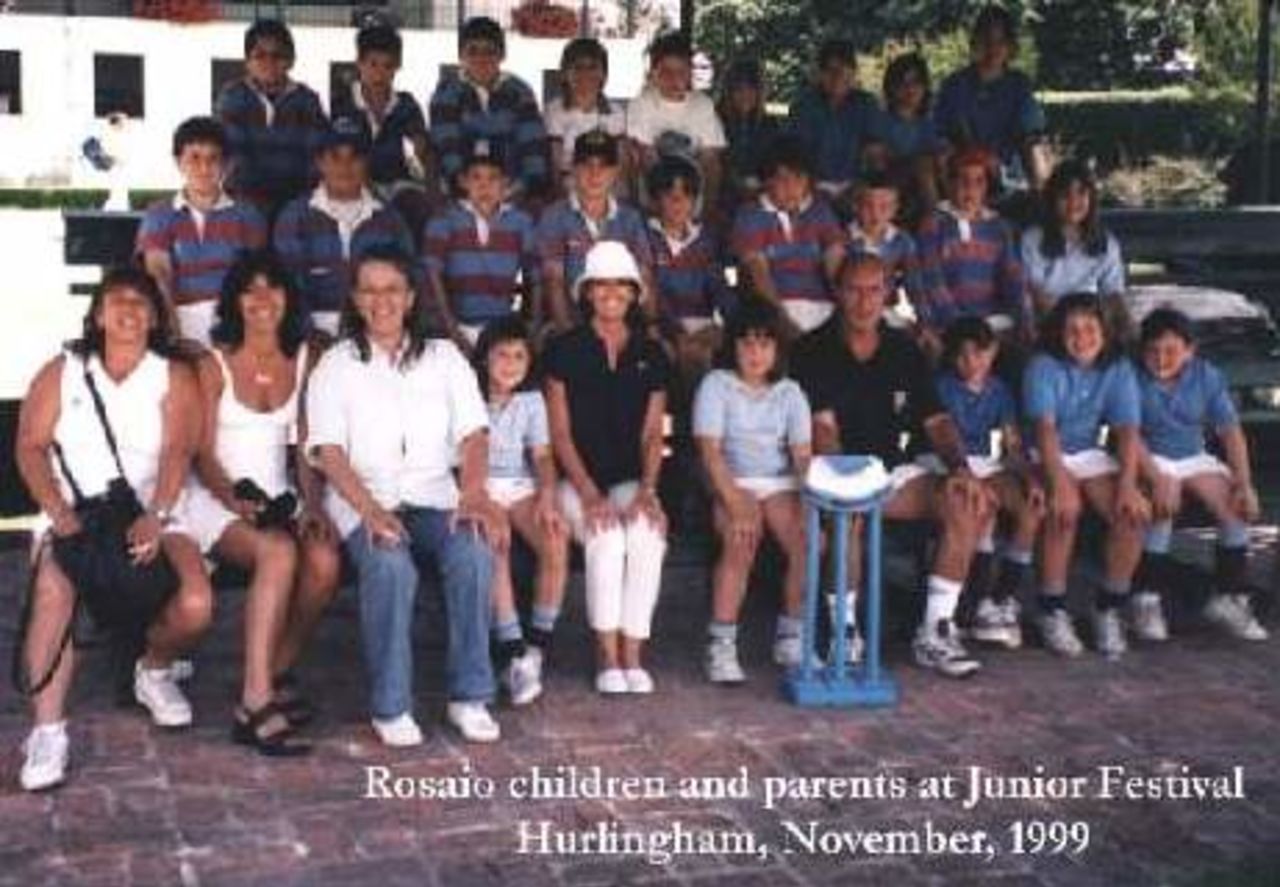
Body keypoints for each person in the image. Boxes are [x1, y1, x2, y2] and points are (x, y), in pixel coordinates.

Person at [14, 267, 211, 791]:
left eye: (140, 303)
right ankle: (48, 731)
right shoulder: (64, 371)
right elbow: (30, 446)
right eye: (116, 302)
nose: (128, 310)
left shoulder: (173, 375)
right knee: (56, 588)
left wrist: (157, 513)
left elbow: (178, 450)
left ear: (155, 316)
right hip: (75, 510)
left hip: (156, 508)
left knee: (195, 604)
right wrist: (58, 511)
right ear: (98, 314)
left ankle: (153, 667)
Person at [305, 246, 509, 746]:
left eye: (392, 289)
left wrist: (476, 494)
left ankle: (470, 695)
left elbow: (474, 434)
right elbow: (328, 450)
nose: (382, 301)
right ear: (354, 298)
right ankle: (392, 705)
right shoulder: (335, 364)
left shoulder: (445, 359)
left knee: (473, 551)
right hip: (363, 499)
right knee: (390, 564)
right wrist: (370, 511)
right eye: (369, 290)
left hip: (435, 496)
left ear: (412, 297)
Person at [792, 254, 993, 678]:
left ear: (888, 293)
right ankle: (845, 633)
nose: (864, 301)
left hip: (890, 471)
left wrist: (960, 468)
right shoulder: (811, 349)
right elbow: (822, 432)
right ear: (837, 292)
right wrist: (849, 485)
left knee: (965, 500)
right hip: (833, 469)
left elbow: (937, 422)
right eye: (853, 289)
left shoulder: (904, 349)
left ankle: (935, 631)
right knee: (847, 514)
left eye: (874, 290)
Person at [180, 251, 341, 755]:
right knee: (278, 553)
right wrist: (232, 498)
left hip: (277, 494)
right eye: (250, 289)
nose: (262, 299)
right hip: (214, 496)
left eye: (273, 288)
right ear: (234, 301)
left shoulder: (303, 358)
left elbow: (307, 448)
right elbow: (200, 453)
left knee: (324, 559)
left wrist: (313, 506)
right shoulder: (213, 364)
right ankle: (253, 703)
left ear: (289, 298)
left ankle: (274, 670)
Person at [544, 241, 670, 694]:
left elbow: (653, 434)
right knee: (607, 536)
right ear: (587, 292)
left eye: (621, 284)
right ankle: (606, 652)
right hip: (575, 481)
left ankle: (633, 652)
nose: (611, 293)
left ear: (635, 293)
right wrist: (590, 493)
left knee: (647, 535)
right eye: (601, 284)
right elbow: (559, 434)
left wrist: (648, 491)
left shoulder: (651, 353)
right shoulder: (563, 349)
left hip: (628, 480)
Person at [1023, 293, 1150, 659]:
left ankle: (1109, 606)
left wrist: (1127, 485)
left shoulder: (1118, 367)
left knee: (1132, 514)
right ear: (1058, 333)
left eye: (1090, 329)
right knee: (1064, 511)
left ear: (1106, 332)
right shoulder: (1042, 366)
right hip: (1043, 453)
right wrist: (1059, 482)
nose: (1081, 338)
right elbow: (1044, 430)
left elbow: (1127, 430)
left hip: (1087, 452)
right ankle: (1051, 608)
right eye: (1072, 330)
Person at [694, 298, 812, 682]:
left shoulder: (791, 392)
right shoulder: (717, 385)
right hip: (731, 477)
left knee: (807, 539)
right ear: (733, 347)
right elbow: (710, 452)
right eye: (747, 344)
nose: (755, 353)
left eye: (765, 344)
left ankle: (792, 633)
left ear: (777, 349)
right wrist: (735, 502)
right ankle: (722, 642)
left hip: (779, 481)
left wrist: (814, 500)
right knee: (740, 536)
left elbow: (801, 457)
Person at [1133, 308, 1267, 642]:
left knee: (1236, 508)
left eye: (1171, 351)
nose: (1161, 359)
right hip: (1148, 456)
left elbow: (1230, 431)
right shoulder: (1131, 376)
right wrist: (1156, 477)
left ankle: (1229, 596)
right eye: (1153, 350)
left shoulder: (1206, 376)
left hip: (1193, 455)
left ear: (1190, 351)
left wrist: (1244, 483)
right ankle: (1146, 601)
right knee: (1163, 509)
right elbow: (1128, 435)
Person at [474, 318, 570, 705]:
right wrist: (482, 501)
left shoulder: (531, 400)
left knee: (554, 537)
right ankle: (511, 648)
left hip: (520, 486)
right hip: (479, 485)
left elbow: (542, 455)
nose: (510, 364)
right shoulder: (469, 396)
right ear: (483, 359)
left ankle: (535, 647)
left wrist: (548, 494)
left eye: (519, 356)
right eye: (501, 355)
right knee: (496, 542)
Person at [933, 317, 1043, 650]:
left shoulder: (1000, 391)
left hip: (987, 463)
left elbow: (1010, 445)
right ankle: (971, 606)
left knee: (1031, 507)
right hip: (950, 463)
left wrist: (1029, 477)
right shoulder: (942, 387)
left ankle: (1000, 599)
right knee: (982, 510)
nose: (971, 362)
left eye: (979, 353)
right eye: (962, 355)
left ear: (993, 351)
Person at [273, 116, 415, 337]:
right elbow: (287, 286)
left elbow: (408, 282)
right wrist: (309, 334)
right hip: (312, 332)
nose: (345, 166)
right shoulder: (295, 217)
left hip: (378, 325)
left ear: (367, 162)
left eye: (354, 157)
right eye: (335, 157)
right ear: (320, 162)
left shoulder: (390, 220)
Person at [136, 116, 268, 345]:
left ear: (227, 164)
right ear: (179, 162)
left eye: (213, 159)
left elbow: (256, 279)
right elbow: (159, 275)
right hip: (177, 318)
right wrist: (174, 335)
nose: (204, 167)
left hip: (235, 323)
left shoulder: (248, 215)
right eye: (194, 158)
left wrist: (239, 334)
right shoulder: (160, 214)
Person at [423, 139, 540, 350]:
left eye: (493, 177)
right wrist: (453, 331)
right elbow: (432, 277)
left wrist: (531, 325)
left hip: (503, 327)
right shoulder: (443, 220)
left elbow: (536, 276)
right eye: (475, 177)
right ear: (462, 181)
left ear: (506, 183)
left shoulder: (520, 221)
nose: (484, 186)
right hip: (456, 326)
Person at [536, 130, 654, 332]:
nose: (595, 173)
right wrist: (570, 335)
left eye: (604, 166)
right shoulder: (554, 216)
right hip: (570, 324)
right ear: (573, 169)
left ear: (616, 172)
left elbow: (645, 278)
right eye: (586, 165)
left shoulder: (630, 218)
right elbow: (553, 282)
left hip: (623, 324)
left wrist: (651, 328)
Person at [916, 147, 1029, 356]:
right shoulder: (934, 224)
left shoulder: (999, 226)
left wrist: (1023, 315)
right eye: (962, 180)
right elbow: (932, 281)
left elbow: (1013, 276)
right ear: (949, 184)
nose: (970, 188)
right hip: (948, 324)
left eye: (979, 181)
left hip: (992, 321)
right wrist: (958, 324)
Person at [429, 16, 551, 206]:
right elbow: (446, 144)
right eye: (473, 51)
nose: (481, 58)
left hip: (512, 186)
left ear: (502, 55)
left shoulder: (519, 92)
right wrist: (461, 184)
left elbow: (532, 141)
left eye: (489, 51)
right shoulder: (447, 93)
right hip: (462, 188)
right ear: (461, 55)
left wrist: (533, 182)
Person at [730, 135, 844, 337]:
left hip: (824, 310)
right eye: (782, 178)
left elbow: (836, 266)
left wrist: (845, 311)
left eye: (799, 178)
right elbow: (759, 276)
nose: (791, 187)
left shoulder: (820, 211)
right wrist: (784, 324)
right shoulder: (751, 215)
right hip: (775, 311)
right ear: (767, 180)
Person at [216, 19, 328, 221]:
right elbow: (234, 157)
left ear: (291, 60)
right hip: (245, 199)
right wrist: (256, 201)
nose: (269, 62)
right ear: (247, 61)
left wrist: (299, 202)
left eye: (277, 55)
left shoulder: (307, 100)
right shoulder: (232, 97)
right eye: (260, 55)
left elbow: (315, 158)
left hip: (297, 199)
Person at [331, 24, 436, 237]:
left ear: (398, 66)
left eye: (388, 66)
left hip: (398, 185)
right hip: (354, 183)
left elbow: (422, 151)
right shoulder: (342, 105)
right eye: (373, 64)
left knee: (418, 209)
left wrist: (433, 189)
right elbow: (337, 156)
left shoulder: (406, 105)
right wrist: (366, 187)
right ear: (359, 63)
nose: (380, 73)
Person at [933, 5, 1050, 194]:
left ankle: (1042, 199)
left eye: (1000, 41)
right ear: (975, 42)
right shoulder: (955, 84)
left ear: (1010, 45)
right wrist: (976, 156)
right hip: (964, 164)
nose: (993, 48)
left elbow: (1031, 134)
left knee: (1037, 150)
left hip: (1007, 168)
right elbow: (941, 132)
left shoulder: (1018, 84)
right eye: (986, 40)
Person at [626, 30, 726, 211]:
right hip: (655, 197)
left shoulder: (703, 105)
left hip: (692, 197)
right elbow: (645, 157)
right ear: (654, 72)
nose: (674, 79)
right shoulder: (642, 103)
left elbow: (711, 160)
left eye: (681, 71)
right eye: (666, 71)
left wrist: (707, 209)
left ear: (689, 72)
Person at [1021, 159, 1126, 322]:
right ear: (1052, 199)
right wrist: (1070, 324)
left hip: (1091, 323)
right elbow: (1034, 291)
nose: (1073, 201)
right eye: (1065, 195)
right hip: (1049, 321)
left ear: (1091, 198)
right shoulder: (1033, 240)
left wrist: (1125, 321)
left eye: (1081, 193)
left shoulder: (1107, 243)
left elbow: (1113, 293)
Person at [785, 39, 881, 200]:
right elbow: (795, 154)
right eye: (830, 70)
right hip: (812, 187)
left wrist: (860, 185)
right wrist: (811, 186)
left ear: (853, 72)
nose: (837, 77)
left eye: (844, 70)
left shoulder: (866, 104)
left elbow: (875, 154)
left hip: (854, 186)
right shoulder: (803, 105)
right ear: (820, 74)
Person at [544, 37, 628, 194]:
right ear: (564, 73)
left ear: (604, 74)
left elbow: (621, 162)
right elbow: (554, 165)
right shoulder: (555, 111)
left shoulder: (615, 112)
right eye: (578, 67)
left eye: (593, 67)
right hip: (569, 186)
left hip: (607, 186)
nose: (585, 74)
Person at [845, 173, 926, 328]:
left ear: (895, 209)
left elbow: (914, 284)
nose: (875, 214)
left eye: (884, 207)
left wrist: (922, 319)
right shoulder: (844, 239)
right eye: (868, 206)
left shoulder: (903, 241)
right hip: (855, 312)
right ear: (855, 206)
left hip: (890, 310)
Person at [873, 53, 942, 221]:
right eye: (902, 83)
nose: (909, 89)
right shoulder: (880, 121)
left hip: (921, 187)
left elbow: (936, 155)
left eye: (915, 82)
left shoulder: (928, 124)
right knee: (922, 164)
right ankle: (934, 221)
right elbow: (878, 161)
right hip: (889, 181)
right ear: (891, 88)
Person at [716, 59, 779, 212]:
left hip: (762, 192)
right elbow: (718, 163)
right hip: (724, 193)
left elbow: (774, 162)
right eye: (739, 89)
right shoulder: (716, 120)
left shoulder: (769, 124)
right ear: (729, 92)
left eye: (751, 89)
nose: (745, 95)